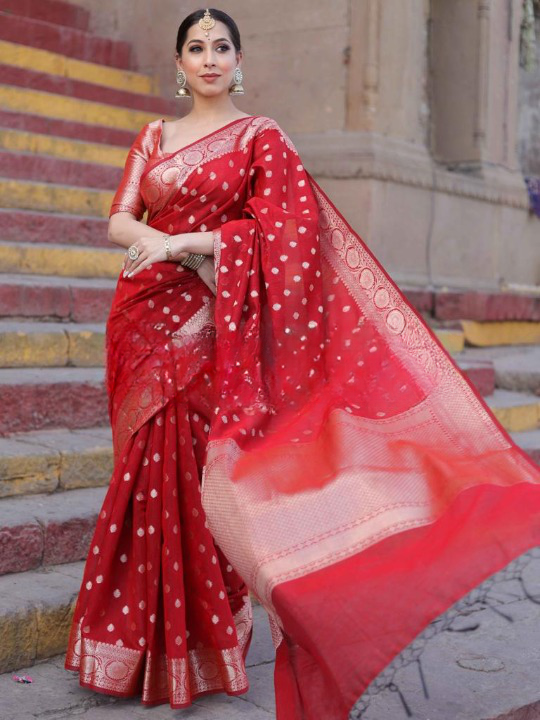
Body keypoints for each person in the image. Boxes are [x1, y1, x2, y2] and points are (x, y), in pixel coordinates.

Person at [65, 7, 540, 718]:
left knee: (195, 481)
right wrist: (154, 243)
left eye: (221, 46)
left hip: (204, 319)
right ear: (178, 64)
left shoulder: (260, 137)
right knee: (139, 477)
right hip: (139, 320)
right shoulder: (155, 136)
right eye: (195, 47)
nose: (209, 58)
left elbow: (287, 229)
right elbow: (118, 218)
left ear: (239, 58)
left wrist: (187, 243)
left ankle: (197, 644)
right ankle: (127, 643)